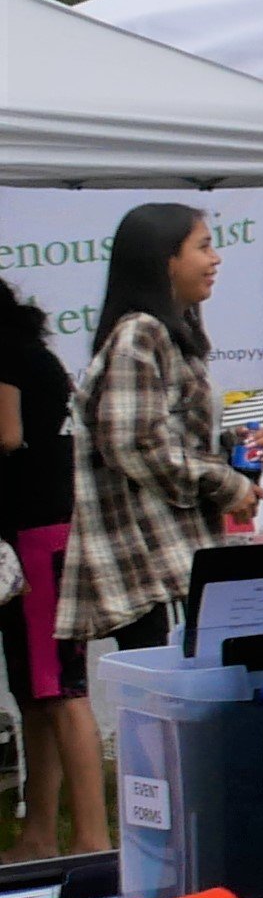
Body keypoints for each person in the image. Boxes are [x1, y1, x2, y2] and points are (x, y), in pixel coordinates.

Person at [58, 203, 255, 655]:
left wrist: (235, 449)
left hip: (177, 550)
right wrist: (226, 484)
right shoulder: (139, 335)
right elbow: (133, 443)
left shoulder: (169, 332)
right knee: (168, 700)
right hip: (148, 555)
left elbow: (171, 435)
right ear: (165, 259)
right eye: (203, 247)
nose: (216, 259)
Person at [0, 275, 101, 859]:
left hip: (40, 535)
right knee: (36, 695)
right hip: (44, 530)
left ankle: (90, 840)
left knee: (62, 691)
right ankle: (38, 833)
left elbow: (7, 435)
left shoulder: (5, 354)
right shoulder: (30, 349)